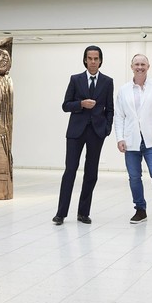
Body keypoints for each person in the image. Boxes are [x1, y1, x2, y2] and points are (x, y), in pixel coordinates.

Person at [53, 45, 114, 225]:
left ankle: (83, 212)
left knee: (91, 173)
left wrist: (106, 129)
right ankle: (61, 213)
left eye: (96, 58)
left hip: (96, 132)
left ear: (100, 60)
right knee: (70, 170)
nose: (93, 62)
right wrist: (81, 104)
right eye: (90, 58)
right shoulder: (75, 79)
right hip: (75, 132)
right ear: (85, 60)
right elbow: (65, 105)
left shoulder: (107, 81)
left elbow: (110, 109)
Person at [114, 54, 152, 227]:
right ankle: (140, 210)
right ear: (131, 67)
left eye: (143, 64)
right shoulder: (124, 90)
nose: (140, 67)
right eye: (136, 64)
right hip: (131, 141)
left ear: (148, 66)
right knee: (134, 178)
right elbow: (119, 116)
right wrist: (120, 138)